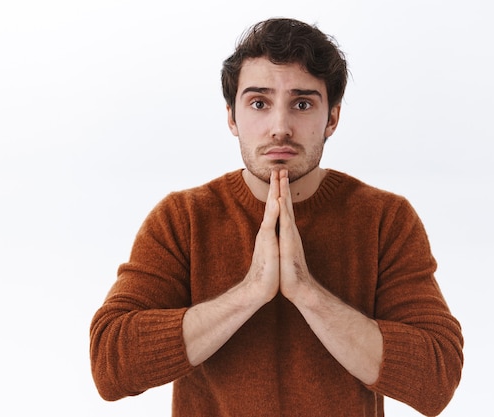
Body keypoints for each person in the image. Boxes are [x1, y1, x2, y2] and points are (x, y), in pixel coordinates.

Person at [90, 17, 464, 416]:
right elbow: (110, 366)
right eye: (259, 103)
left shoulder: (385, 219)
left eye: (302, 104)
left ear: (332, 118)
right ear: (232, 117)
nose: (280, 127)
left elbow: (436, 378)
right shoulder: (182, 218)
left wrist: (307, 291)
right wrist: (250, 292)